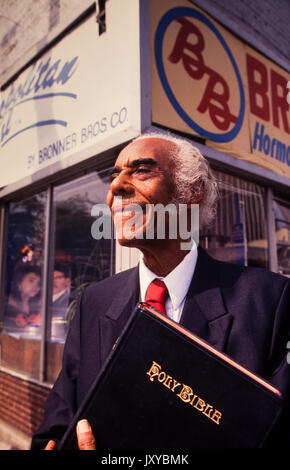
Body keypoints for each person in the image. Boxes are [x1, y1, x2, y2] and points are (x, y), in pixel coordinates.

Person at [31, 133, 290, 450]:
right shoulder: (94, 302)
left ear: (191, 193)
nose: (115, 188)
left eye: (141, 170)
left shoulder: (270, 301)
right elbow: (54, 430)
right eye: (114, 176)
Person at [5, 264, 42, 329]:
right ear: (19, 280)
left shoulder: (36, 306)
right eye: (31, 280)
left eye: (39, 283)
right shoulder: (5, 303)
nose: (36, 286)